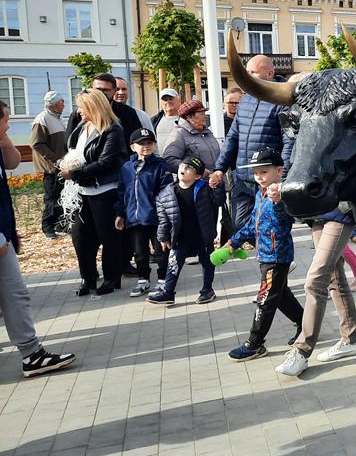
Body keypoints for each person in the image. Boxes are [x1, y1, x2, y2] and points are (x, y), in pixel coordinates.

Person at [0, 99, 77, 377]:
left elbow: (11, 161)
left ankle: (31, 354)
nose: (9, 124)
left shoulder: (1, 140)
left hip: (4, 233)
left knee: (15, 293)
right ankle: (31, 353)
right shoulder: (43, 121)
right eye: (6, 120)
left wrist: (3, 136)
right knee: (14, 293)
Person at [223, 148, 303, 361]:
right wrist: (232, 242)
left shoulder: (283, 194)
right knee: (280, 295)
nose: (259, 177)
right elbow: (252, 224)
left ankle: (255, 343)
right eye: (256, 173)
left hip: (277, 256)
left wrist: (277, 201)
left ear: (279, 170)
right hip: (265, 255)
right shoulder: (261, 192)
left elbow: (285, 219)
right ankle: (304, 322)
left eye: (264, 172)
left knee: (265, 299)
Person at [276, 201, 356, 376]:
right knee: (334, 276)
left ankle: (302, 350)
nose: (259, 176)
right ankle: (351, 338)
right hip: (317, 212)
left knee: (315, 282)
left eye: (263, 171)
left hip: (340, 211)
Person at [211, 55, 294, 234]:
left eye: (252, 72)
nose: (246, 75)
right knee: (240, 225)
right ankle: (267, 256)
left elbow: (289, 141)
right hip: (242, 176)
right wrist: (220, 167)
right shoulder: (246, 99)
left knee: (275, 226)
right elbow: (233, 136)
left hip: (268, 178)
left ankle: (278, 260)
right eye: (246, 71)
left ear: (270, 73)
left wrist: (282, 175)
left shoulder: (283, 100)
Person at [62, 89, 128, 296]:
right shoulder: (82, 127)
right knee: (81, 237)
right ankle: (88, 278)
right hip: (82, 190)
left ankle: (111, 278)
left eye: (82, 107)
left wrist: (74, 172)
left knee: (108, 236)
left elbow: (106, 162)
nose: (79, 111)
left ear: (93, 107)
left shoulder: (112, 129)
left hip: (104, 190)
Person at [148, 157, 224, 306]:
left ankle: (207, 290)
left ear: (197, 176)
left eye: (189, 168)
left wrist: (217, 185)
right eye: (183, 165)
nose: (184, 168)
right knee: (174, 264)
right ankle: (168, 292)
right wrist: (163, 236)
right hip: (180, 237)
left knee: (208, 262)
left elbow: (219, 201)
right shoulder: (167, 193)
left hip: (203, 235)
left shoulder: (205, 188)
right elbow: (163, 219)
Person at [114, 128, 173, 297]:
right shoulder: (126, 168)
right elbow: (121, 192)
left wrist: (164, 213)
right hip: (135, 218)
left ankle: (163, 280)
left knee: (161, 250)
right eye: (141, 144)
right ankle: (143, 279)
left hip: (156, 217)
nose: (146, 146)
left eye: (149, 143)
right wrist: (120, 213)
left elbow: (166, 191)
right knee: (139, 252)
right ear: (133, 147)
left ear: (155, 145)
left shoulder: (161, 166)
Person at [66, 73, 141, 155]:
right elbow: (69, 144)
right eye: (97, 90)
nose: (101, 93)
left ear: (114, 91)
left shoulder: (128, 113)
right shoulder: (79, 114)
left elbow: (137, 140)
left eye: (105, 90)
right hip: (86, 164)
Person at [30, 90, 68, 238]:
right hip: (50, 167)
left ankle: (59, 225)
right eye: (62, 101)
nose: (64, 104)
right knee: (51, 198)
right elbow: (37, 143)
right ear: (55, 104)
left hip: (60, 166)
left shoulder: (57, 118)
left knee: (61, 196)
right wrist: (54, 159)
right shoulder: (42, 119)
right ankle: (48, 228)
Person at [163, 99, 221, 175]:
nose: (205, 116)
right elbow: (169, 161)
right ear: (189, 117)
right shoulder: (179, 134)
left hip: (215, 183)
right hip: (194, 185)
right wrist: (195, 170)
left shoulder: (207, 132)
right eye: (201, 113)